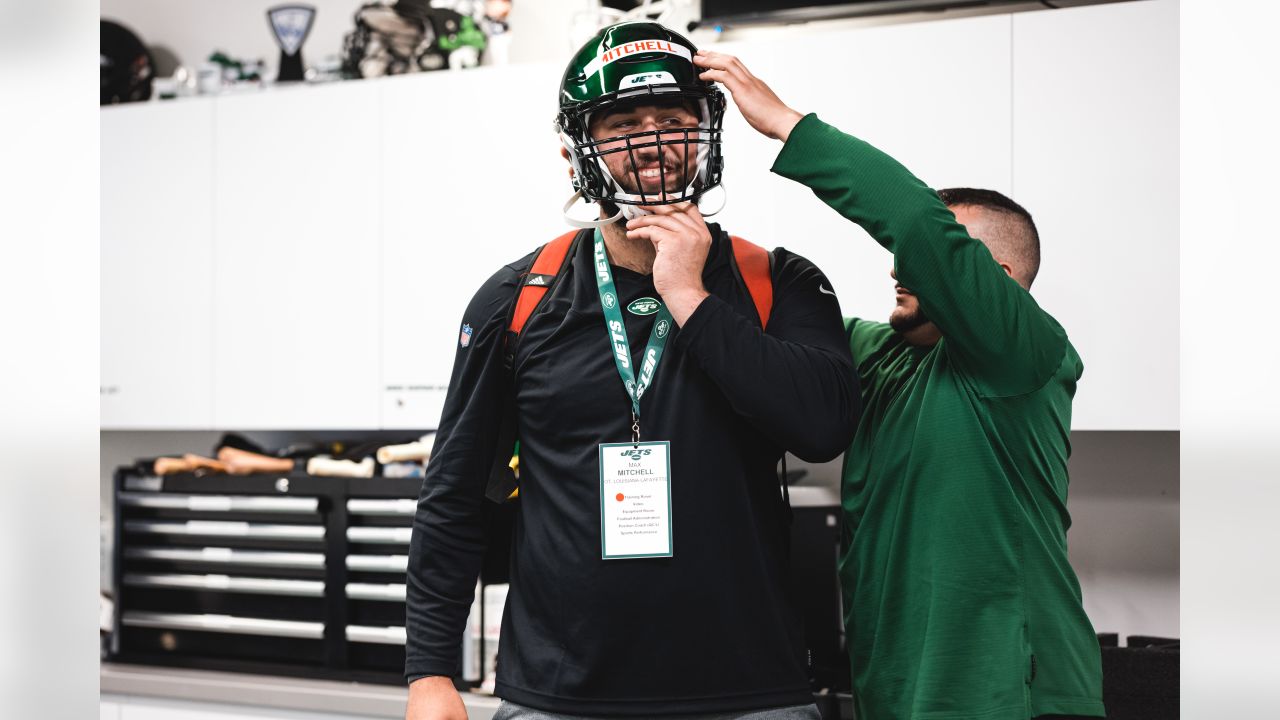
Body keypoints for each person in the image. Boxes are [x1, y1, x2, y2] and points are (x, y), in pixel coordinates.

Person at [404, 22, 859, 720]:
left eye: (673, 119)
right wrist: (430, 672)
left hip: (748, 691)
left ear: (707, 133)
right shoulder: (517, 298)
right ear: (577, 154)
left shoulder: (779, 281)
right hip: (558, 695)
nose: (650, 141)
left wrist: (690, 296)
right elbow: (456, 491)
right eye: (622, 124)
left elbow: (824, 427)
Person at [691, 51, 1105, 720]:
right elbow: (758, 332)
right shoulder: (877, 355)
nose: (898, 268)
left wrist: (789, 128)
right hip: (892, 688)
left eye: (934, 261)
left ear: (994, 282)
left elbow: (913, 222)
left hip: (1008, 693)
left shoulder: (1026, 355)